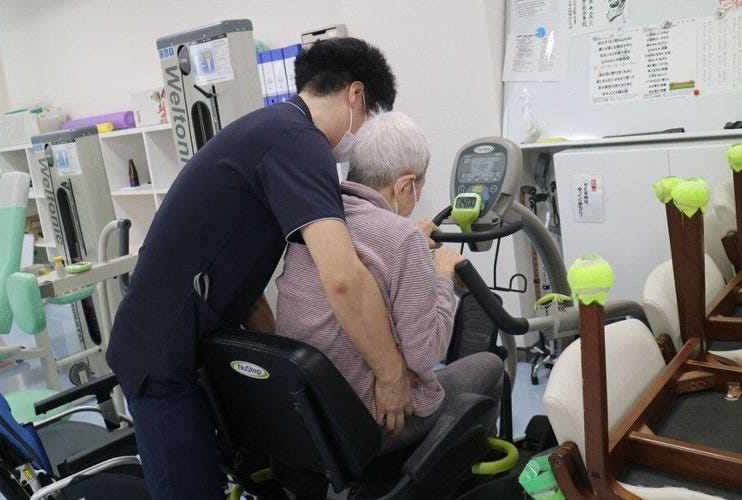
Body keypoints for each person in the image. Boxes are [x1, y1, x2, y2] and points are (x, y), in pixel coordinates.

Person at [106, 38, 414, 499]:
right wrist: (391, 375)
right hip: (161, 358)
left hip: (186, 345)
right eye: (369, 117)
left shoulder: (272, 130)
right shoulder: (300, 143)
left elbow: (241, 275)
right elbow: (342, 278)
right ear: (355, 95)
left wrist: (281, 362)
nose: (362, 134)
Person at [276, 111, 505, 452]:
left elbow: (370, 250)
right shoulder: (401, 238)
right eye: (418, 189)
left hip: (308, 422)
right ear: (403, 186)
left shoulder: (317, 222)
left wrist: (411, 239)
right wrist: (442, 272)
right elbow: (427, 355)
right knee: (491, 366)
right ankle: (459, 469)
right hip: (375, 425)